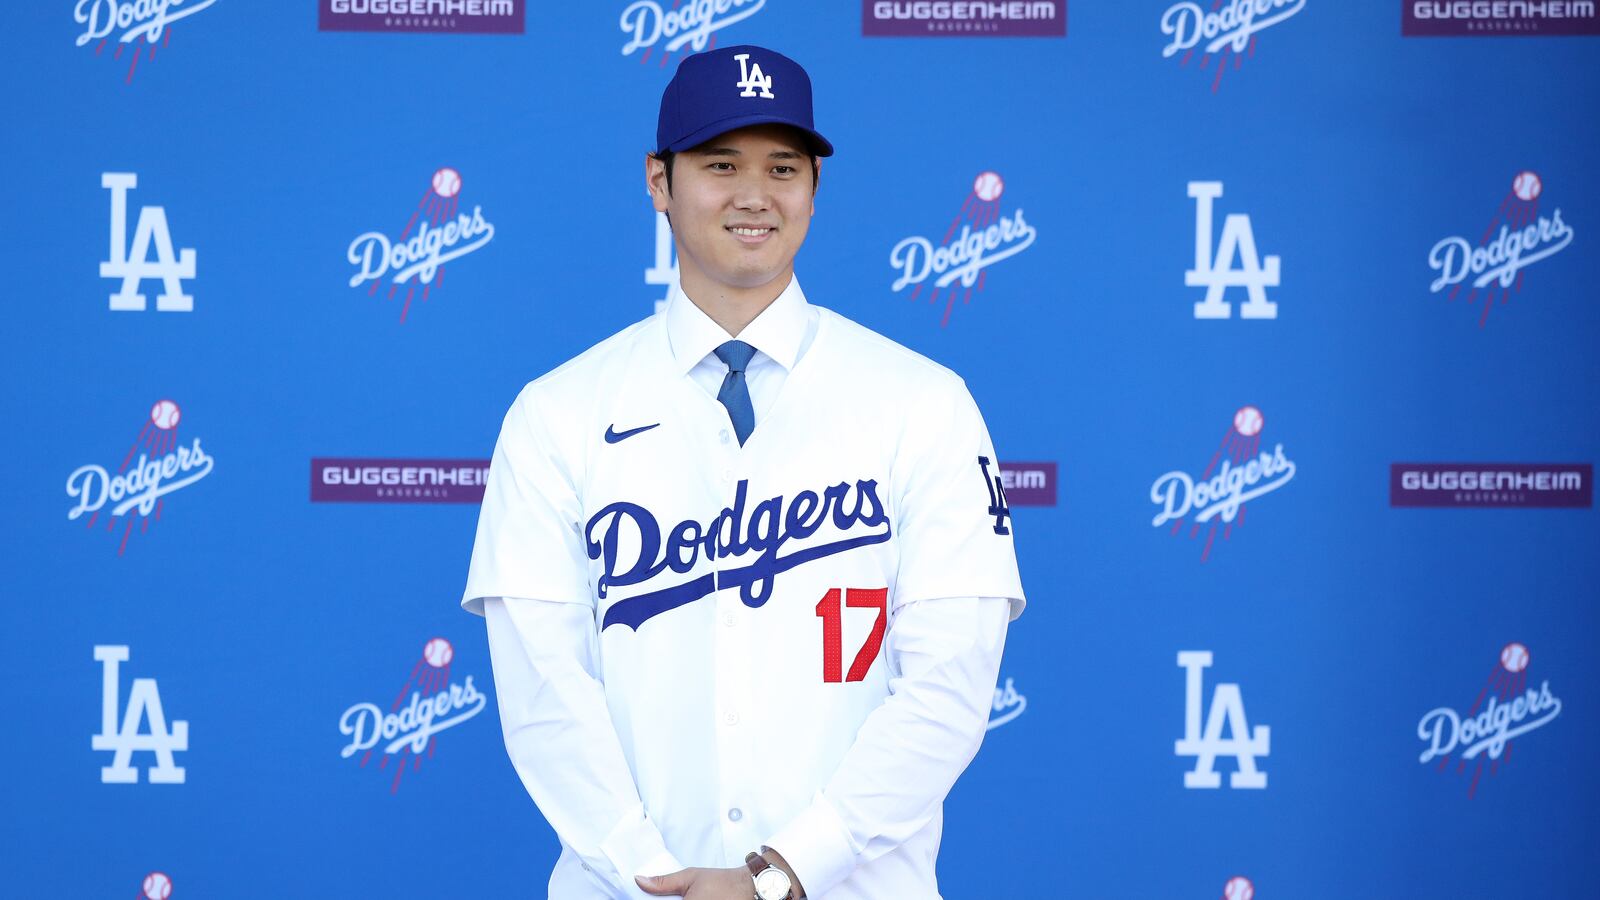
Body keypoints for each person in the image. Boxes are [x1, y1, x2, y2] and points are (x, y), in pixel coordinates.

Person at [462, 45, 1025, 900]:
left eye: (783, 167)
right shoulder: (557, 411)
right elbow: (545, 693)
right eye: (720, 163)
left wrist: (784, 870)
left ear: (813, 187)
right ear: (659, 181)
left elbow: (949, 685)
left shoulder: (923, 402)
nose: (754, 194)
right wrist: (656, 876)